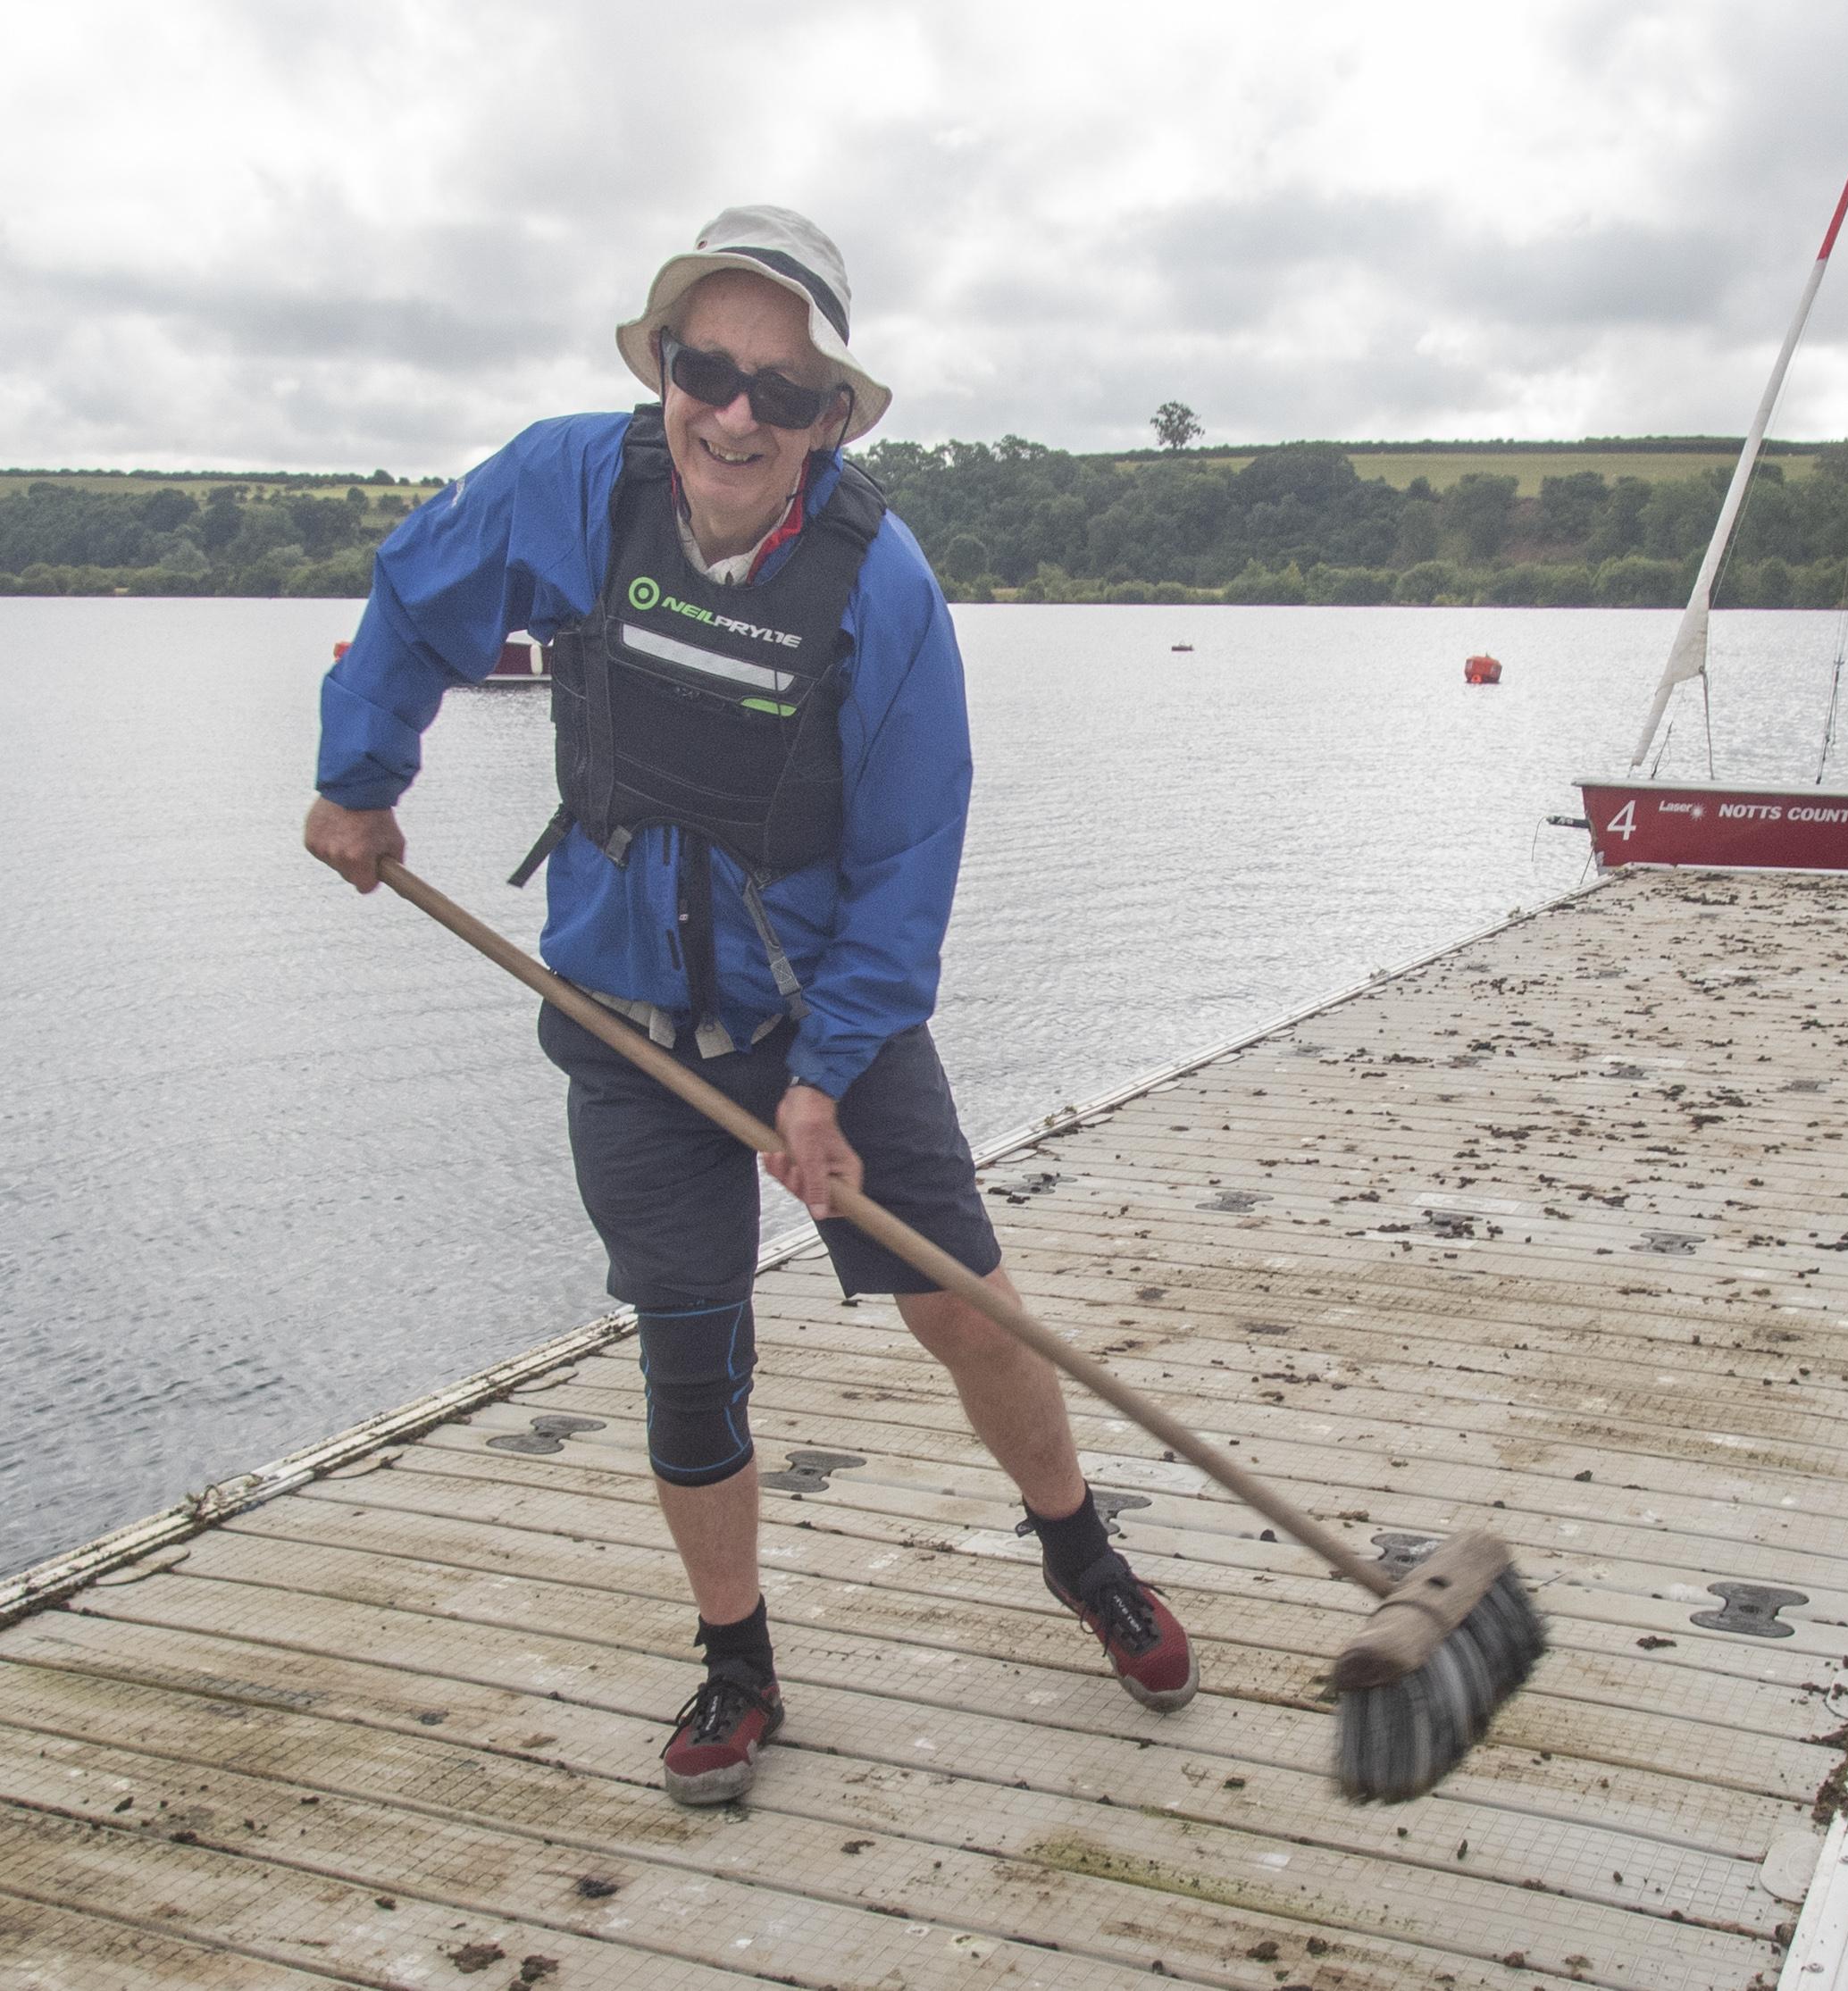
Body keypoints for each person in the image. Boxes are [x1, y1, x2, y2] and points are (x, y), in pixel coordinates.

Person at [305, 205, 1197, 1806]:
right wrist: (359, 777)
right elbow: (418, 595)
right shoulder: (567, 483)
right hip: (624, 1019)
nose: (733, 414)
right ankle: (740, 1661)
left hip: (822, 1008)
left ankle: (1084, 1557)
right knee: (691, 1351)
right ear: (661, 368)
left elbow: (912, 857)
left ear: (829, 417)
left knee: (962, 1301)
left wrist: (827, 1073)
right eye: (704, 371)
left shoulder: (884, 585)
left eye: (779, 391)